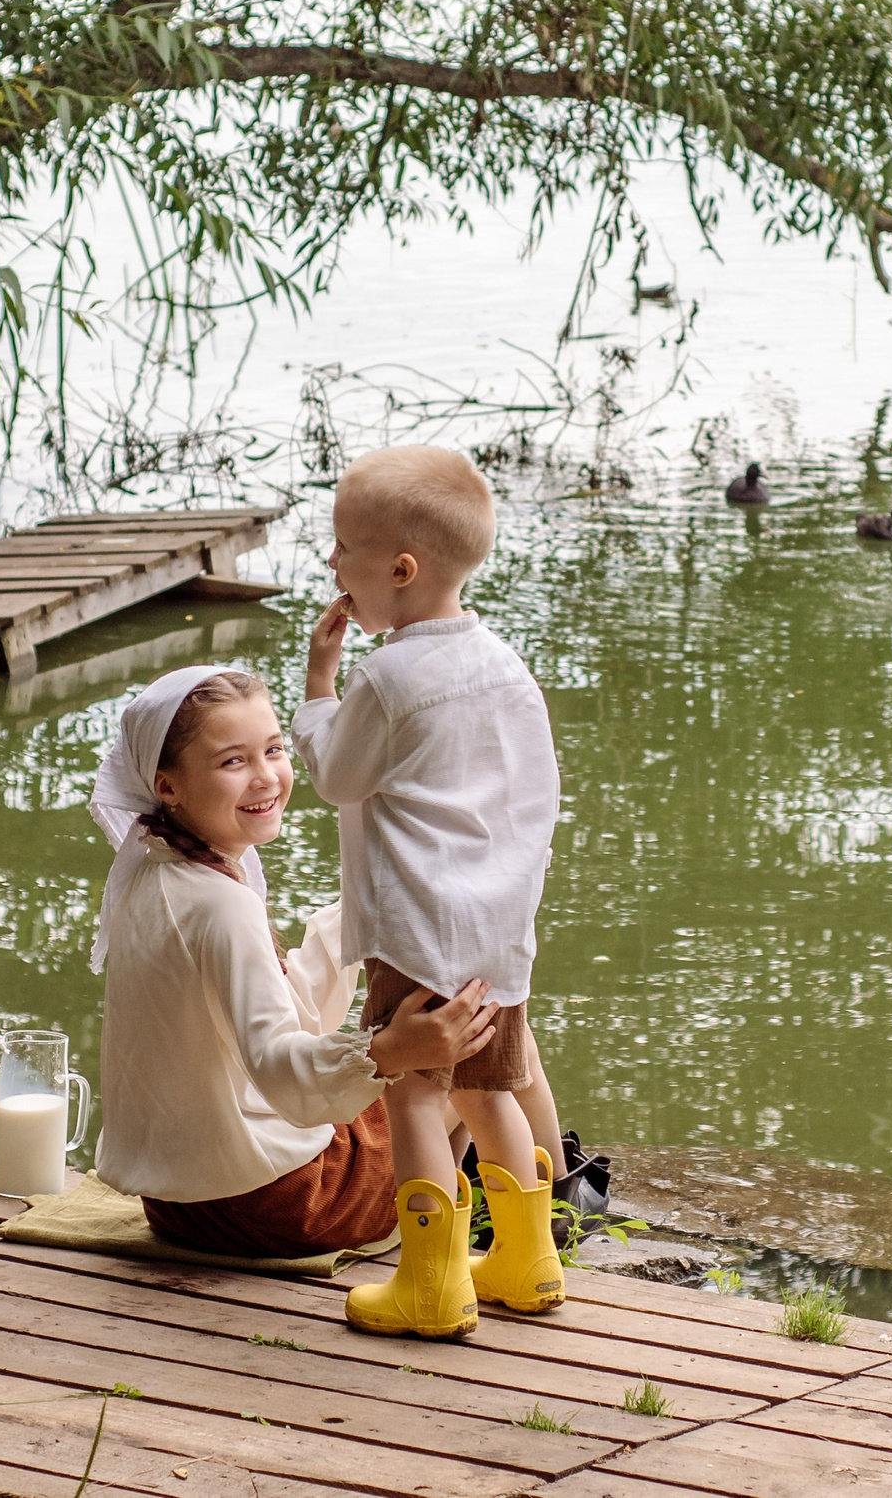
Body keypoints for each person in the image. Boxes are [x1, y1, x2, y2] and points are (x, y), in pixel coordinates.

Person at [85, 663, 499, 1260]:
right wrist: (391, 1052)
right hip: (271, 1206)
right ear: (167, 785)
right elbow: (280, 1070)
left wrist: (364, 904)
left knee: (416, 1056)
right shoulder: (220, 906)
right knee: (458, 1042)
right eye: (233, 761)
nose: (266, 779)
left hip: (178, 1202)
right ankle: (497, 1229)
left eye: (273, 750)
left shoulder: (159, 871)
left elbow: (284, 1009)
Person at [297, 445, 565, 1338]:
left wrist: (319, 686)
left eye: (343, 549)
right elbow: (537, 793)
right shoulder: (504, 664)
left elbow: (337, 775)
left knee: (414, 1092)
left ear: (400, 570)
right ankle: (528, 1261)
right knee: (492, 1088)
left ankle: (431, 1282)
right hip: (497, 926)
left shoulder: (387, 677)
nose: (332, 564)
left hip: (417, 928)